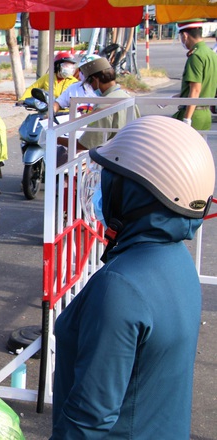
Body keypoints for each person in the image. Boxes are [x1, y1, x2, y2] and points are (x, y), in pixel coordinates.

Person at [52, 115, 215, 438]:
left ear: (136, 194)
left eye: (110, 181)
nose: (101, 190)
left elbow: (89, 417)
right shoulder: (176, 260)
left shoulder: (121, 285)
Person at [60, 56, 140, 153]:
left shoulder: (103, 106)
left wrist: (55, 139)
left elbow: (87, 144)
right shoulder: (127, 97)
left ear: (95, 80)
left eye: (90, 83)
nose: (91, 87)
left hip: (112, 157)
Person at [172, 21, 217, 130]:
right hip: (205, 115)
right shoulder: (211, 54)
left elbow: (196, 90)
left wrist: (187, 119)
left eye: (181, 37)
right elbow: (207, 86)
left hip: (193, 114)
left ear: (185, 35)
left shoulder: (196, 56)